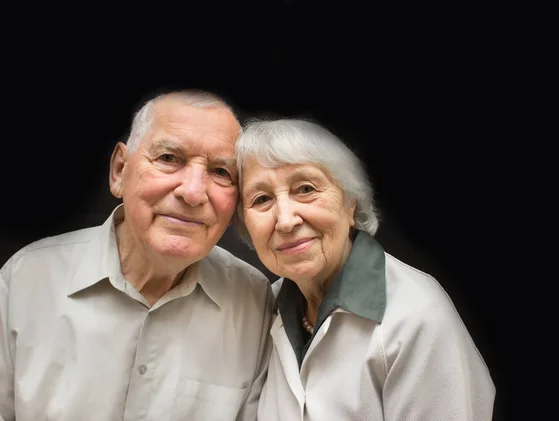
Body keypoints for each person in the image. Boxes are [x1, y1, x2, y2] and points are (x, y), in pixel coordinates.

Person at [0, 89, 275, 421]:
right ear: (119, 170)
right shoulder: (25, 278)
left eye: (221, 172)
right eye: (169, 158)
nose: (192, 192)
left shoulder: (254, 302)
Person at [233, 118, 496, 420]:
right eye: (262, 199)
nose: (286, 220)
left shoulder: (416, 318)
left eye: (305, 188)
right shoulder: (264, 307)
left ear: (350, 202)